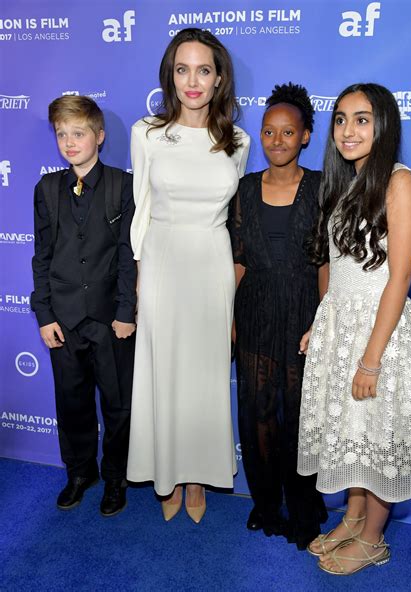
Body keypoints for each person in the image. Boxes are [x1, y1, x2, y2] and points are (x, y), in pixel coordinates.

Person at [297, 83, 411, 574]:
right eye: (341, 119)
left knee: (378, 434)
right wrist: (323, 325)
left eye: (362, 119)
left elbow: (399, 276)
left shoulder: (399, 181)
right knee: (352, 430)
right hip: (342, 326)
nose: (348, 129)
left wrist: (370, 359)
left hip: (382, 331)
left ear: (384, 125)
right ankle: (354, 518)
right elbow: (333, 265)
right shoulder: (342, 184)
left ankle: (375, 537)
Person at [127, 28, 250, 524]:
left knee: (204, 374)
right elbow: (142, 208)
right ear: (170, 75)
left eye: (203, 70)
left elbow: (235, 213)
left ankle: (197, 475)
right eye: (183, 70)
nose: (192, 81)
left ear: (219, 78)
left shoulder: (237, 141)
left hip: (211, 263)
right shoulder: (146, 133)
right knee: (162, 371)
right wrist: (138, 278)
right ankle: (166, 472)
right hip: (161, 260)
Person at [227, 83, 327, 549]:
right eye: (269, 132)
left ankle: (305, 508)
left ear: (305, 135)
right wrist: (227, 315)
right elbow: (239, 259)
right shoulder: (244, 189)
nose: (278, 140)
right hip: (255, 311)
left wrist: (323, 319)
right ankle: (265, 504)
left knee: (302, 416)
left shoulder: (323, 187)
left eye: (289, 132)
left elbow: (326, 262)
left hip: (306, 311)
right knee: (258, 413)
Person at [31, 95, 137, 516]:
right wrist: (44, 314)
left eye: (79, 133)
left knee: (117, 404)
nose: (70, 142)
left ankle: (115, 476)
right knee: (70, 401)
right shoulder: (47, 188)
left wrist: (126, 311)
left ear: (99, 135)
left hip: (110, 320)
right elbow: (41, 255)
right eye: (62, 134)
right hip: (64, 319)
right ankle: (80, 472)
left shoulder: (120, 186)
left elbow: (130, 255)